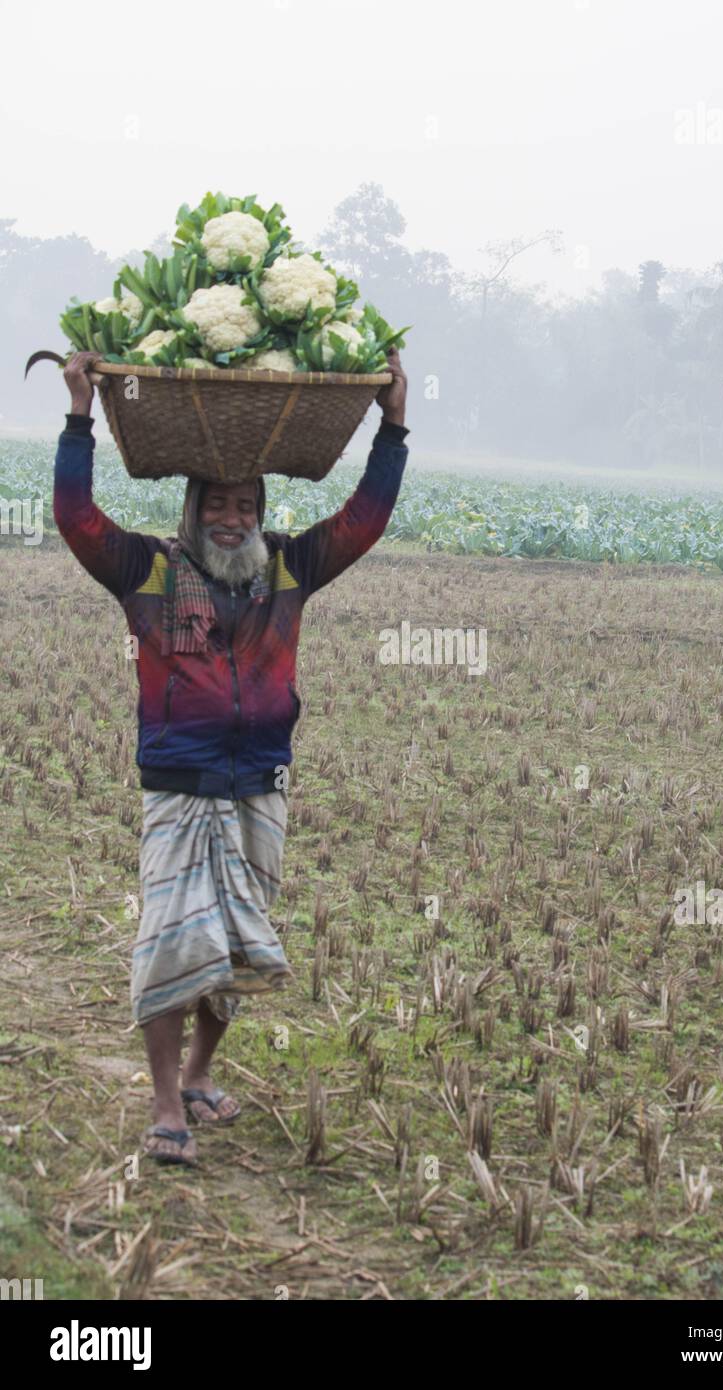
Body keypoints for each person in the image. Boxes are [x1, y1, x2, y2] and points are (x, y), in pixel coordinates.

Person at [54, 347, 409, 1166]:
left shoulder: (289, 568)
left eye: (245, 505)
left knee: (235, 944)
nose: (232, 518)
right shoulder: (146, 569)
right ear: (192, 512)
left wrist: (392, 425)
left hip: (262, 782)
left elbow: (365, 519)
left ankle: (205, 1072)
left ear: (260, 512)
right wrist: (79, 418)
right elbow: (76, 517)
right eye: (216, 504)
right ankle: (164, 1097)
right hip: (181, 783)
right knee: (175, 939)